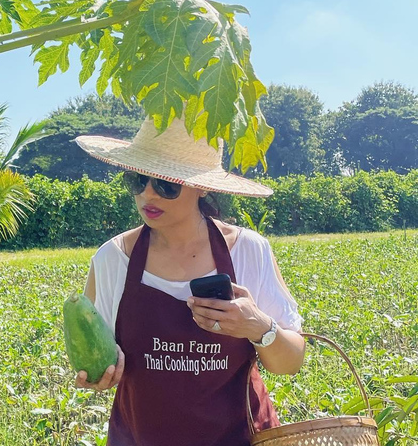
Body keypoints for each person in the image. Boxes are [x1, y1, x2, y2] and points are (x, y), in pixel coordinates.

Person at [73, 116, 305, 446]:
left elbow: (291, 361)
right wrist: (101, 374)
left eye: (166, 184)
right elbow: (98, 356)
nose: (147, 195)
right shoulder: (112, 260)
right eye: (138, 180)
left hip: (242, 437)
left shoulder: (248, 251)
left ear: (202, 186)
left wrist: (257, 326)